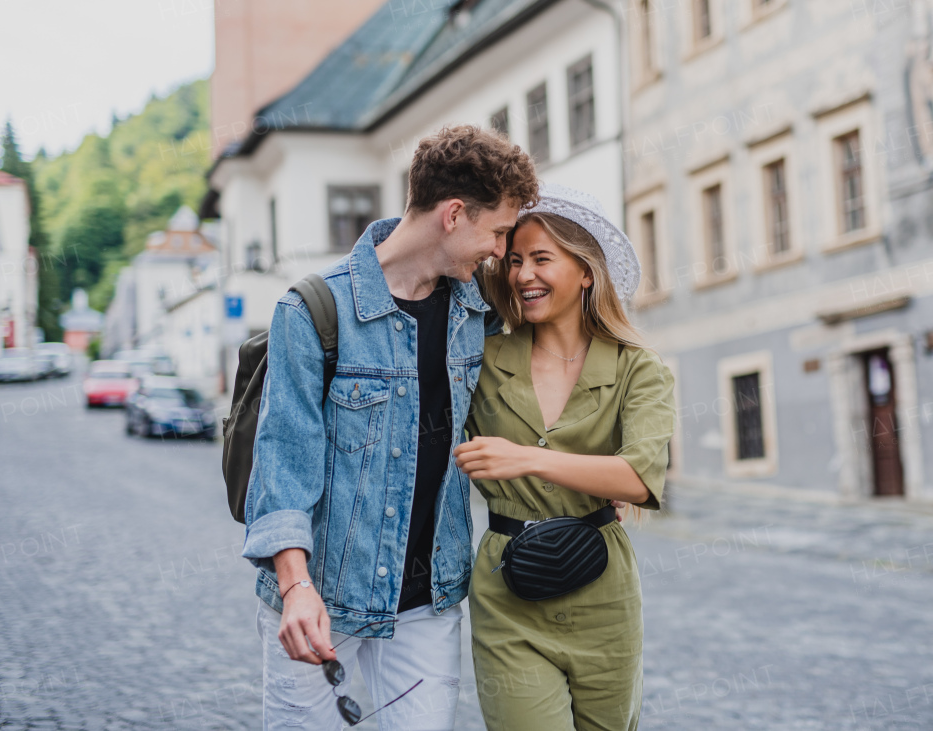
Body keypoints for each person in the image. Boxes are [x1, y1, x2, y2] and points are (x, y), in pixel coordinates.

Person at [240, 125, 540, 730]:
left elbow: (535, 388)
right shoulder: (314, 310)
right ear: (454, 214)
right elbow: (282, 465)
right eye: (500, 231)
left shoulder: (475, 311)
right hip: (322, 596)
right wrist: (296, 588)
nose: (502, 250)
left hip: (429, 603)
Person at [454, 184, 676, 730]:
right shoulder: (477, 360)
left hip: (604, 593)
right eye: (514, 261)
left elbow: (639, 478)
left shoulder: (639, 368)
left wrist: (524, 459)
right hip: (508, 590)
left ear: (585, 271)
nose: (523, 274)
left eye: (541, 259)